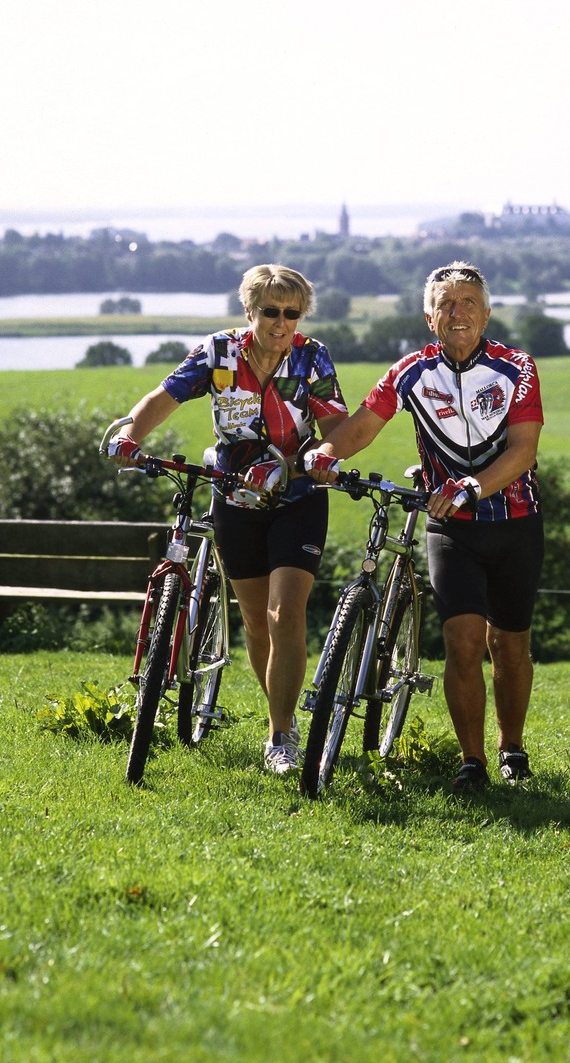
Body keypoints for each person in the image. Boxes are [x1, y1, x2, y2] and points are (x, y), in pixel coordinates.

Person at [306, 262, 544, 792]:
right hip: (451, 527)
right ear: (428, 315)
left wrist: (472, 485)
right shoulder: (410, 371)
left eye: (468, 303)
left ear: (486, 313)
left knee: (508, 645)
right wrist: (325, 450)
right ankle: (473, 761)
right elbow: (362, 427)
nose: (457, 313)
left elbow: (524, 451)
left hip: (515, 523)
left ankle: (512, 746)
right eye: (446, 304)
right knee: (461, 642)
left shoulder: (516, 367)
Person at [106, 264, 348, 775]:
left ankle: (280, 735)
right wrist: (132, 434)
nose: (282, 323)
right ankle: (279, 715)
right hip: (234, 499)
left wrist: (326, 454)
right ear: (249, 310)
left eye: (292, 313)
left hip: (298, 499)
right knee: (257, 624)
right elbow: (163, 397)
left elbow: (336, 423)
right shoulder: (219, 352)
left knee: (286, 614)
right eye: (270, 311)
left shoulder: (311, 356)